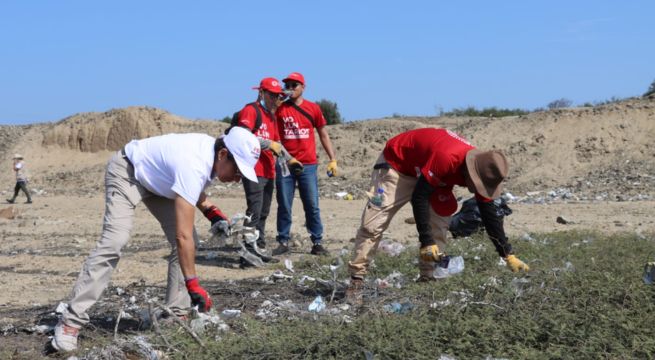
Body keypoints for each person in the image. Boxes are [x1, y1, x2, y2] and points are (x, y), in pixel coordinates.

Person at [51, 128, 261, 352]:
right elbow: (183, 235)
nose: (238, 179)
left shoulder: (209, 156)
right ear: (223, 154)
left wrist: (211, 212)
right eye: (238, 170)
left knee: (190, 245)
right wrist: (194, 285)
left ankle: (175, 314)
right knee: (115, 241)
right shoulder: (195, 162)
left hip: (158, 184)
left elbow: (188, 188)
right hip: (128, 171)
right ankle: (71, 321)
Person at [347, 128, 529, 298]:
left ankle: (427, 279)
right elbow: (420, 197)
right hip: (397, 165)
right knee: (372, 224)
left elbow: (489, 215)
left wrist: (507, 254)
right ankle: (357, 281)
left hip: (432, 174)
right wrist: (426, 240)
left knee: (440, 223)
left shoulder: (485, 169)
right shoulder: (447, 158)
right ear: (470, 174)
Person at [273, 72, 337, 256]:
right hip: (285, 163)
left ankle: (317, 241)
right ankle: (283, 240)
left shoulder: (313, 108)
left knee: (311, 204)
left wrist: (332, 158)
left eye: (294, 85)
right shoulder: (280, 109)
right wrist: (276, 102)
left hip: (308, 164)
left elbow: (323, 134)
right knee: (284, 203)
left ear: (303, 87)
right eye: (288, 85)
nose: (291, 88)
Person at [232, 77, 287, 254]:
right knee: (254, 210)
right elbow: (243, 138)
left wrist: (290, 159)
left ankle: (259, 245)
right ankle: (247, 250)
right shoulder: (251, 111)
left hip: (268, 170)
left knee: (263, 211)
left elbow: (277, 144)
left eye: (277, 96)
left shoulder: (272, 117)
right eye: (271, 95)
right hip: (253, 170)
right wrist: (268, 144)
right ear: (261, 93)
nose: (275, 99)